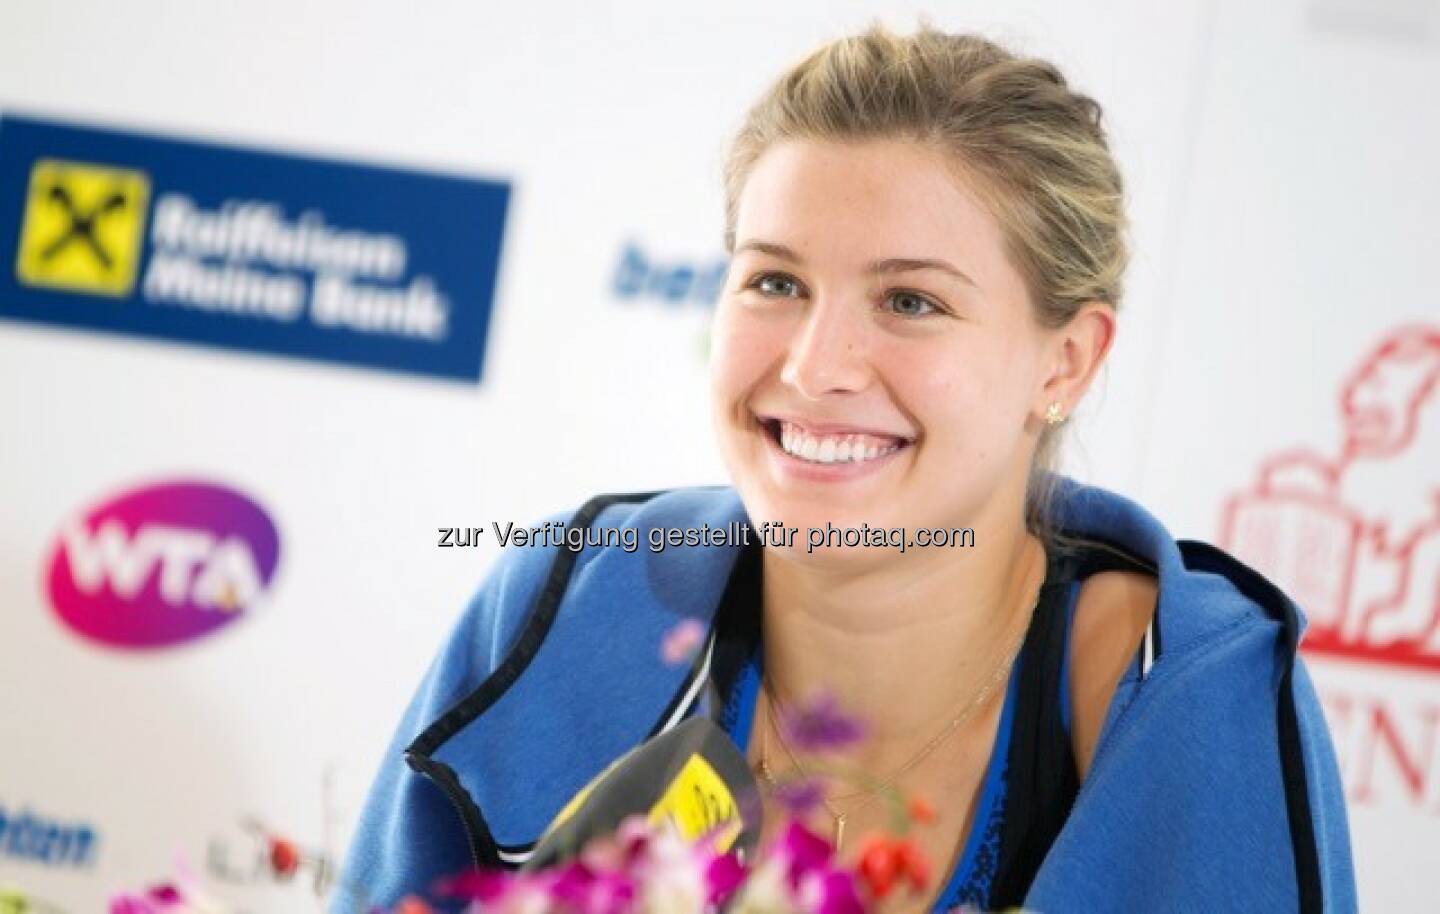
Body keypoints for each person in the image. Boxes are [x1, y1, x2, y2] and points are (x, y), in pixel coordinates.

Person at [336, 23, 1356, 913]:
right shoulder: (559, 603)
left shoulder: (1184, 689)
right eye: (774, 280)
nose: (814, 367)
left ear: (1067, 359)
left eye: (910, 300)